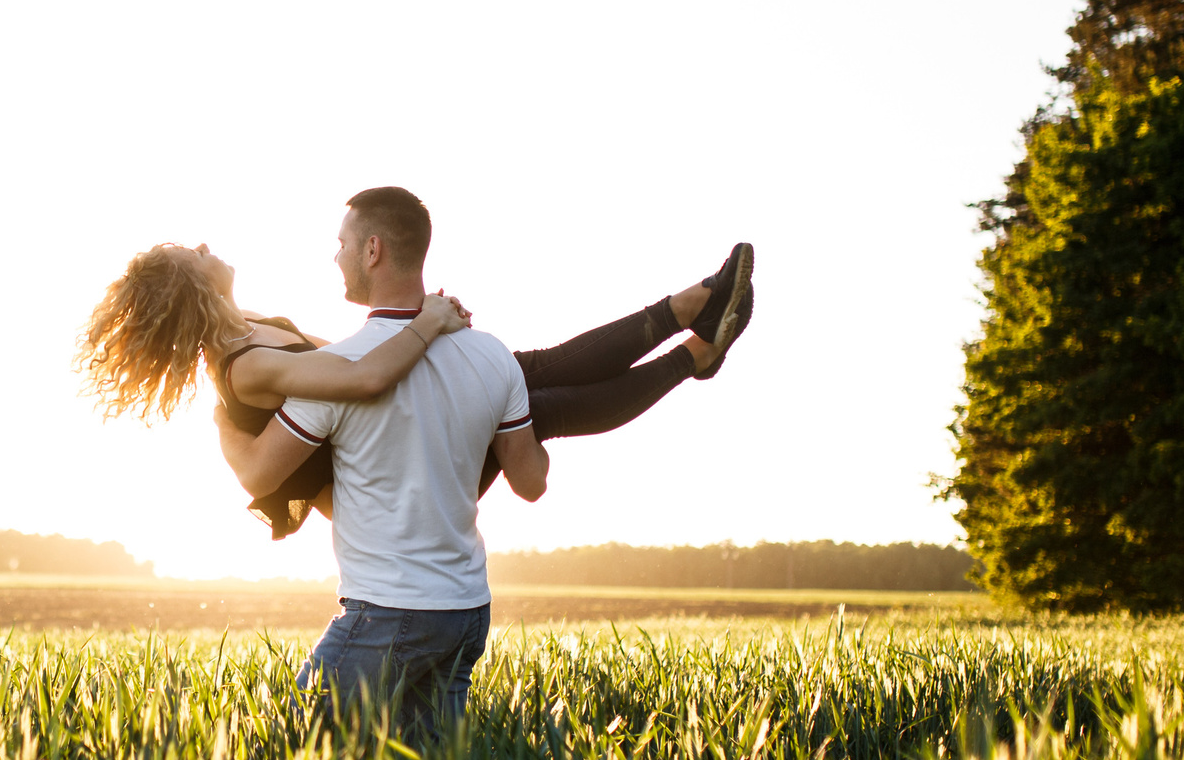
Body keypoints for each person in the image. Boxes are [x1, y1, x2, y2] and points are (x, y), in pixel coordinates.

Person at [76, 220, 753, 542]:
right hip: (397, 485)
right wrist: (427, 325)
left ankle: (692, 309)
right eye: (186, 255)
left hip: (397, 432)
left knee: (524, 371)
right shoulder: (245, 368)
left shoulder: (249, 324)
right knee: (535, 406)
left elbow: (349, 354)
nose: (200, 244)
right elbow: (359, 374)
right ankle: (693, 350)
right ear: (185, 290)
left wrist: (429, 333)